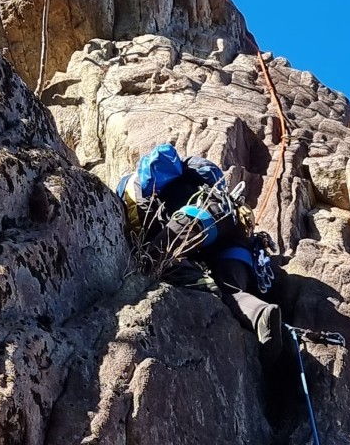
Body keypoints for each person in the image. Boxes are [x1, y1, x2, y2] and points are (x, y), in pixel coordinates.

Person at [117, 144, 281, 363]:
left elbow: (148, 243)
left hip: (194, 221)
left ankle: (203, 287)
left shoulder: (132, 189)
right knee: (230, 290)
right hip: (234, 236)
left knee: (157, 259)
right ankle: (260, 313)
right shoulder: (193, 173)